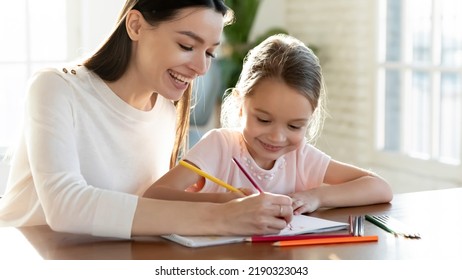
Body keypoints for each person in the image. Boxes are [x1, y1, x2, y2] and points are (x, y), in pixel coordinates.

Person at [0, 0, 294, 239]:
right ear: (136, 25)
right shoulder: (56, 88)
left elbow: (145, 204)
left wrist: (226, 202)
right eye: (187, 46)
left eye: (209, 53)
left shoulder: (166, 108)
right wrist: (221, 217)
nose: (201, 67)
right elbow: (65, 204)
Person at [144, 34, 393, 214]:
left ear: (310, 118)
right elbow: (154, 197)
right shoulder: (219, 146)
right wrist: (227, 202)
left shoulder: (300, 157)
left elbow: (380, 188)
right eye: (263, 119)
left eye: (294, 126)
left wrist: (316, 196)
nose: (277, 137)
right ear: (241, 106)